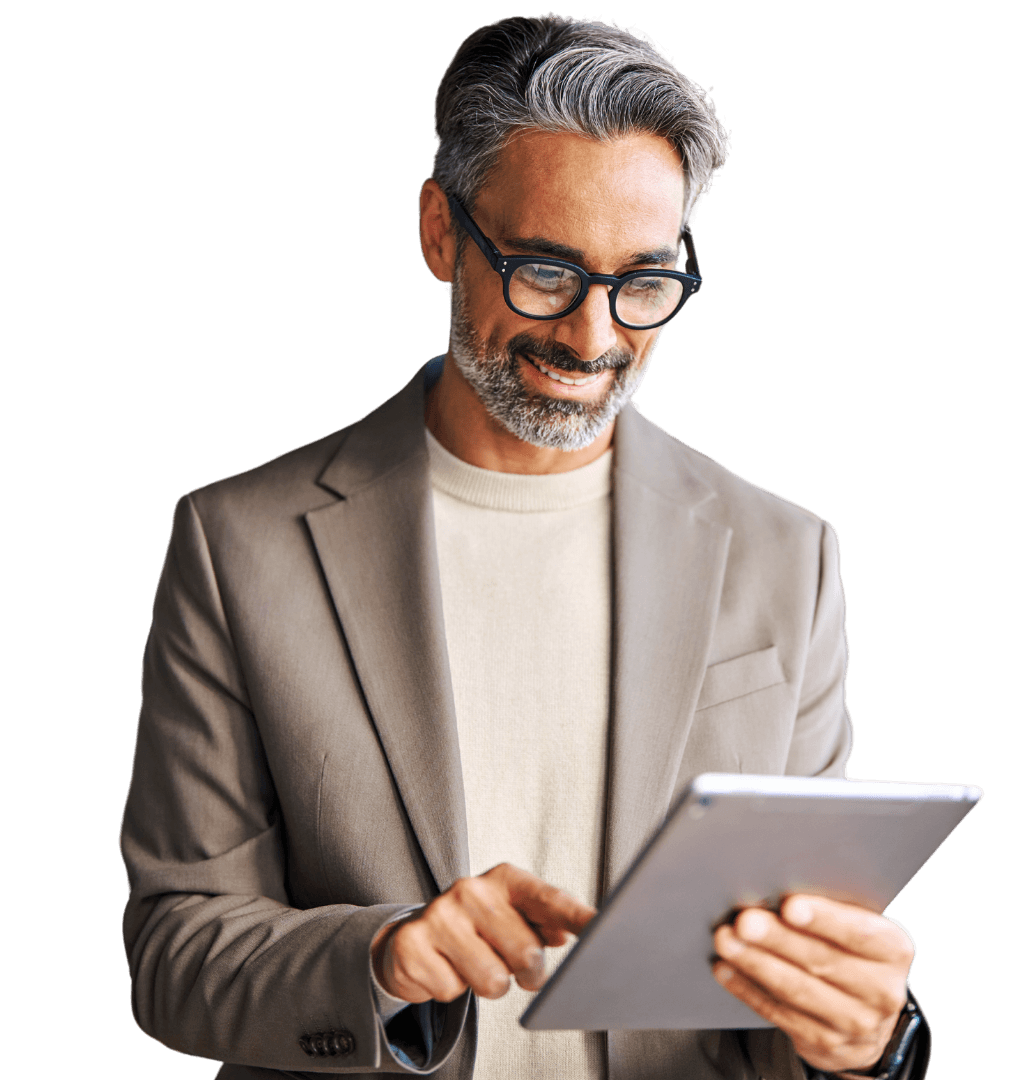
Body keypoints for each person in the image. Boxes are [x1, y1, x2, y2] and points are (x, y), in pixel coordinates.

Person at [120, 14, 929, 1080]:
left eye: (644, 282)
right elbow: (175, 950)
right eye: (545, 270)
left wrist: (869, 1043)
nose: (593, 340)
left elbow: (779, 980)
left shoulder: (788, 555)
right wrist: (385, 960)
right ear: (440, 234)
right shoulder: (238, 545)